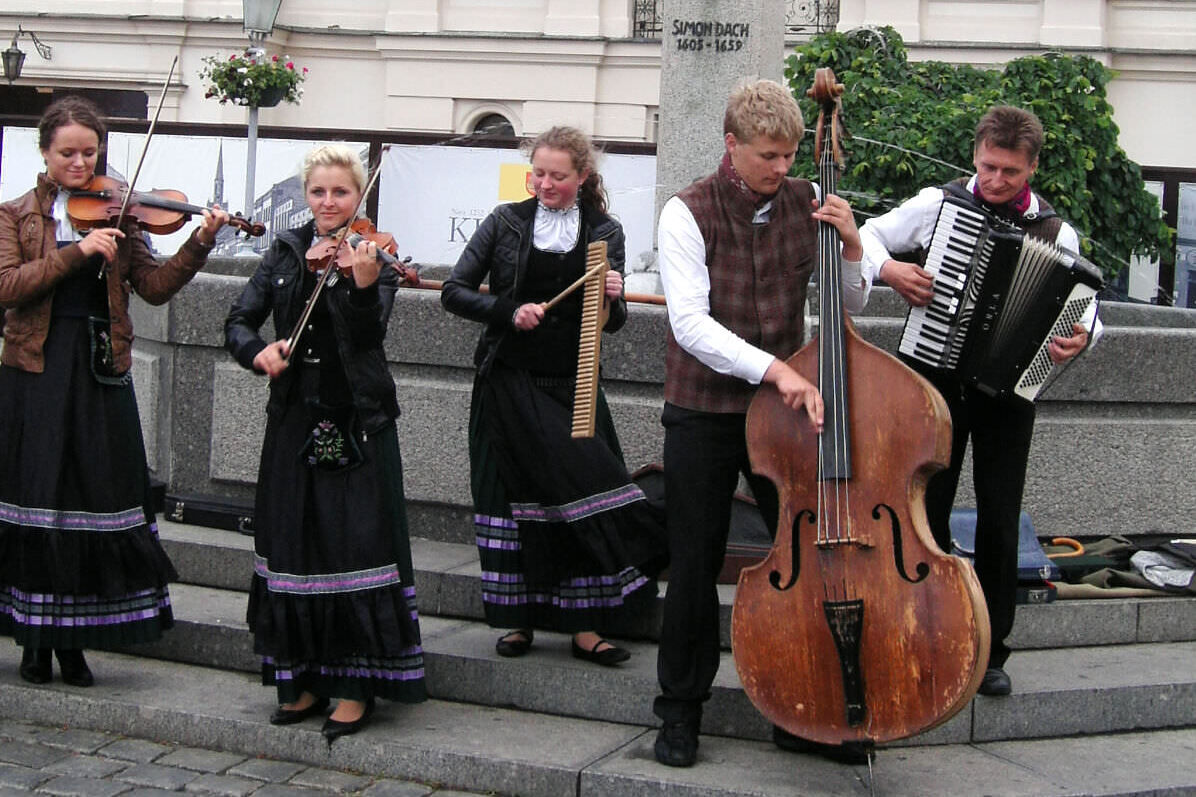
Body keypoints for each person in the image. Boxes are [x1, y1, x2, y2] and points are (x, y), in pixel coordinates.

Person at [653, 79, 869, 767]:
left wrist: (854, 250)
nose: (782, 168)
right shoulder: (686, 211)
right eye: (769, 155)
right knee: (693, 560)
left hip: (784, 409)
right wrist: (776, 370)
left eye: (790, 155)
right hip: (705, 408)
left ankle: (798, 708)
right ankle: (680, 711)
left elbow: (849, 299)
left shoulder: (808, 201)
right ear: (732, 145)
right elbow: (689, 324)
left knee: (804, 559)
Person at [858, 105, 1102, 698]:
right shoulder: (936, 204)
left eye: (1011, 173)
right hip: (933, 377)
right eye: (989, 167)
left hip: (1007, 393)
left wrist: (1080, 337)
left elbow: (1089, 309)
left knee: (999, 515)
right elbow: (865, 236)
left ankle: (992, 651)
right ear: (975, 154)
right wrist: (890, 269)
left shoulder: (1056, 231)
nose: (996, 181)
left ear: (1032, 168)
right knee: (926, 505)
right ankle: (923, 629)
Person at [0, 95, 229, 686]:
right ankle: (33, 638)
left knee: (92, 495)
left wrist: (198, 243)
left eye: (90, 151)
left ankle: (73, 641)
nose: (80, 163)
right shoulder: (16, 214)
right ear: (45, 152)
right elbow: (8, 286)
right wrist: (78, 252)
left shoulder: (122, 213)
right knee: (39, 493)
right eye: (67, 153)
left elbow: (153, 288)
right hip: (37, 370)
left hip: (101, 367)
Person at [441, 126, 667, 666]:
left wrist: (613, 295)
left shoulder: (604, 230)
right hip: (507, 383)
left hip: (575, 385)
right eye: (538, 174)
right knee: (512, 499)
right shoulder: (504, 222)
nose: (545, 184)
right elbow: (455, 291)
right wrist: (507, 311)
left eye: (557, 176)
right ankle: (518, 618)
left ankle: (586, 626)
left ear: (582, 177)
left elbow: (611, 325)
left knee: (583, 500)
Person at [224, 144, 426, 742]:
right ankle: (302, 677)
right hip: (292, 417)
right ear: (305, 196)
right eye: (319, 192)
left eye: (341, 192)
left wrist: (363, 287)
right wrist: (255, 351)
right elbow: (239, 319)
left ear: (357, 196)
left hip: (355, 416)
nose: (330, 203)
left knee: (352, 546)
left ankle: (354, 684)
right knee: (295, 542)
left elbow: (367, 339)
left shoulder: (374, 253)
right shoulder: (285, 252)